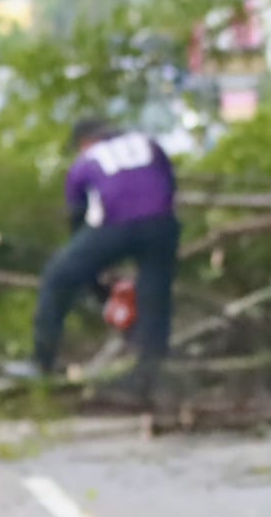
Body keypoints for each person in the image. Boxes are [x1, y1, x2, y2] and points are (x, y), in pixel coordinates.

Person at [31, 116, 179, 396]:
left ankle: (42, 362)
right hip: (162, 224)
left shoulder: (86, 160)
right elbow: (168, 184)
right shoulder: (148, 144)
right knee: (155, 294)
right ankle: (151, 369)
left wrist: (91, 263)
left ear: (85, 142)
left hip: (115, 225)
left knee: (57, 277)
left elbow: (77, 216)